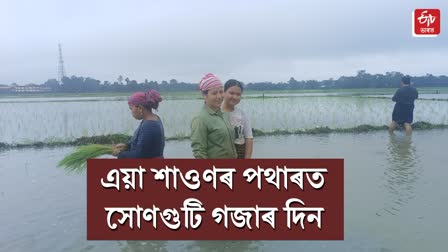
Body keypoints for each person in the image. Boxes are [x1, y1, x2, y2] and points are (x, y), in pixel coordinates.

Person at [190, 73, 237, 158]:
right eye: (214, 93)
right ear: (204, 95)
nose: (219, 96)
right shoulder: (200, 120)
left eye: (221, 92)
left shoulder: (224, 115)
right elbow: (199, 153)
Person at [112, 89, 165, 158]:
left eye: (131, 109)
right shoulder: (154, 119)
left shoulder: (149, 126)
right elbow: (144, 147)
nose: (131, 112)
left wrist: (120, 154)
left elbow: (140, 156)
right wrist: (127, 146)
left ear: (140, 108)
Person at [222, 79, 253, 159]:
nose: (235, 97)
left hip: (240, 153)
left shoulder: (242, 114)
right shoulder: (216, 113)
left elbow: (249, 138)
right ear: (224, 92)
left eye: (238, 94)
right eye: (231, 93)